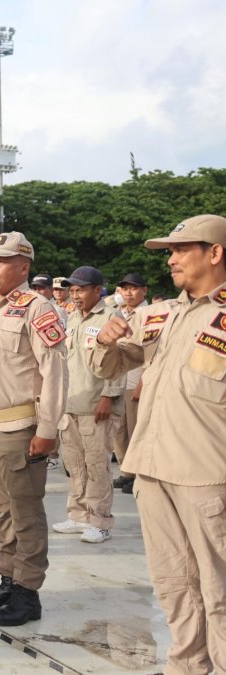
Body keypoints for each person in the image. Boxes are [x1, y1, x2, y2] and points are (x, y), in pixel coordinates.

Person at [90, 214, 226, 674]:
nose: (171, 259)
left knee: (219, 590)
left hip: (208, 477)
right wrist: (106, 340)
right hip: (152, 470)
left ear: (215, 252)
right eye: (169, 252)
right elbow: (110, 366)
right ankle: (186, 665)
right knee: (173, 583)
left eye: (181, 249)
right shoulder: (161, 314)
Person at [0, 232, 66, 627]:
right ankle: (8, 579)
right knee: (0, 512)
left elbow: (54, 373)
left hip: (20, 430)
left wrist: (48, 429)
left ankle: (27, 591)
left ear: (24, 266)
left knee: (25, 513)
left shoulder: (38, 308)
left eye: (1, 260)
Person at [50, 266, 122, 545]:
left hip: (96, 404)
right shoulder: (71, 318)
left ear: (97, 290)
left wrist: (108, 396)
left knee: (97, 466)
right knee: (75, 465)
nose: (76, 295)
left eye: (81, 290)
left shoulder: (111, 317)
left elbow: (119, 361)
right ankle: (78, 515)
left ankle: (100, 521)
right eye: (73, 290)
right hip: (70, 404)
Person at [111, 272, 148, 495]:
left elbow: (152, 353)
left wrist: (143, 382)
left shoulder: (150, 314)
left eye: (133, 288)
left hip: (136, 379)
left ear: (144, 290)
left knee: (136, 429)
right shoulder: (119, 313)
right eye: (125, 288)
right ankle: (126, 470)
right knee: (119, 429)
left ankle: (137, 473)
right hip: (118, 379)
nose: (128, 293)